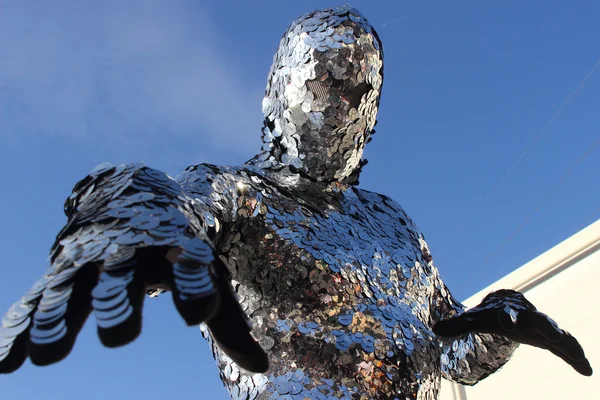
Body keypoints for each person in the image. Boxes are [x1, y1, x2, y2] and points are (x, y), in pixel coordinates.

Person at [0, 5, 592, 399]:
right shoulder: (240, 197)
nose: (343, 109)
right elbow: (175, 204)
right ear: (280, 89)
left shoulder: (394, 226)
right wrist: (131, 215)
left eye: (361, 92)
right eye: (323, 84)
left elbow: (449, 350)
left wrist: (499, 322)